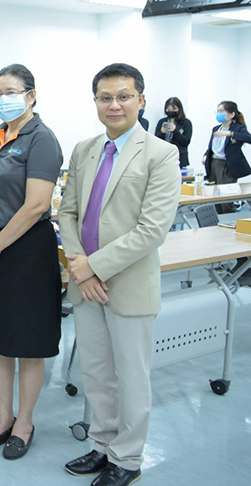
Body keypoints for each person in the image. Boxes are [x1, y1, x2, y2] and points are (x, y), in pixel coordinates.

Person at [59, 63, 180, 486]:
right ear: (95, 101)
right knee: (96, 372)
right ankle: (102, 444)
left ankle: (127, 459)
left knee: (131, 376)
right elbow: (68, 212)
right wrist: (80, 265)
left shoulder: (161, 154)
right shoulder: (85, 149)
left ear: (141, 100)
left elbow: (152, 230)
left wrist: (93, 266)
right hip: (85, 284)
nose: (115, 105)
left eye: (124, 96)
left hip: (126, 285)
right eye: (105, 97)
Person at [0, 64, 63, 460]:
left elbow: (37, 205)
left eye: (10, 92)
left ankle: (24, 422)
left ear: (31, 95)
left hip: (26, 250)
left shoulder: (42, 139)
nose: (2, 99)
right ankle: (2, 417)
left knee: (28, 341)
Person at [202, 101, 250, 213]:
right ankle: (218, 218)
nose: (219, 114)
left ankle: (228, 217)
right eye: (217, 111)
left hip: (227, 165)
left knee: (226, 196)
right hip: (213, 163)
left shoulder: (238, 128)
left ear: (231, 114)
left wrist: (231, 133)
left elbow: (248, 138)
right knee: (214, 195)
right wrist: (205, 155)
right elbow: (211, 146)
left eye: (221, 111)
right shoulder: (216, 129)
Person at [153, 97, 192, 168]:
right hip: (163, 157)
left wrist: (175, 131)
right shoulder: (162, 122)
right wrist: (162, 132)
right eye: (168, 109)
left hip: (180, 158)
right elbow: (155, 140)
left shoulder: (186, 123)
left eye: (174, 109)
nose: (170, 111)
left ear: (179, 109)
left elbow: (186, 141)